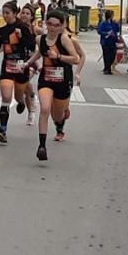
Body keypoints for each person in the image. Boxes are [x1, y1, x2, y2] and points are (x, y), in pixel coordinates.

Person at [27, 10, 81, 161]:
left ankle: (62, 118)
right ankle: (42, 146)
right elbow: (40, 53)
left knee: (57, 116)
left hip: (63, 81)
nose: (52, 28)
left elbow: (76, 59)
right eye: (49, 24)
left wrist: (58, 56)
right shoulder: (40, 39)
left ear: (61, 26)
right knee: (44, 108)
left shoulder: (64, 39)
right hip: (47, 79)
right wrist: (28, 63)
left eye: (56, 25)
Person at [0, 1, 36, 144]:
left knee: (17, 96)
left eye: (7, 13)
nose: (5, 16)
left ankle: (21, 101)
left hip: (21, 68)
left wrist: (22, 36)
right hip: (7, 67)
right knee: (6, 97)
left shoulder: (22, 27)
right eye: (3, 13)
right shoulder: (2, 30)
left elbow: (31, 45)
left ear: (15, 13)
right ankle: (2, 130)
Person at [97, 10, 120, 74]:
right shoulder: (103, 23)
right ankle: (107, 68)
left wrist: (117, 23)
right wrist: (106, 33)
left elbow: (117, 30)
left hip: (113, 41)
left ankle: (108, 66)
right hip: (105, 41)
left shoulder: (114, 23)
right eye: (112, 15)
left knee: (112, 54)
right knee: (106, 55)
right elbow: (99, 31)